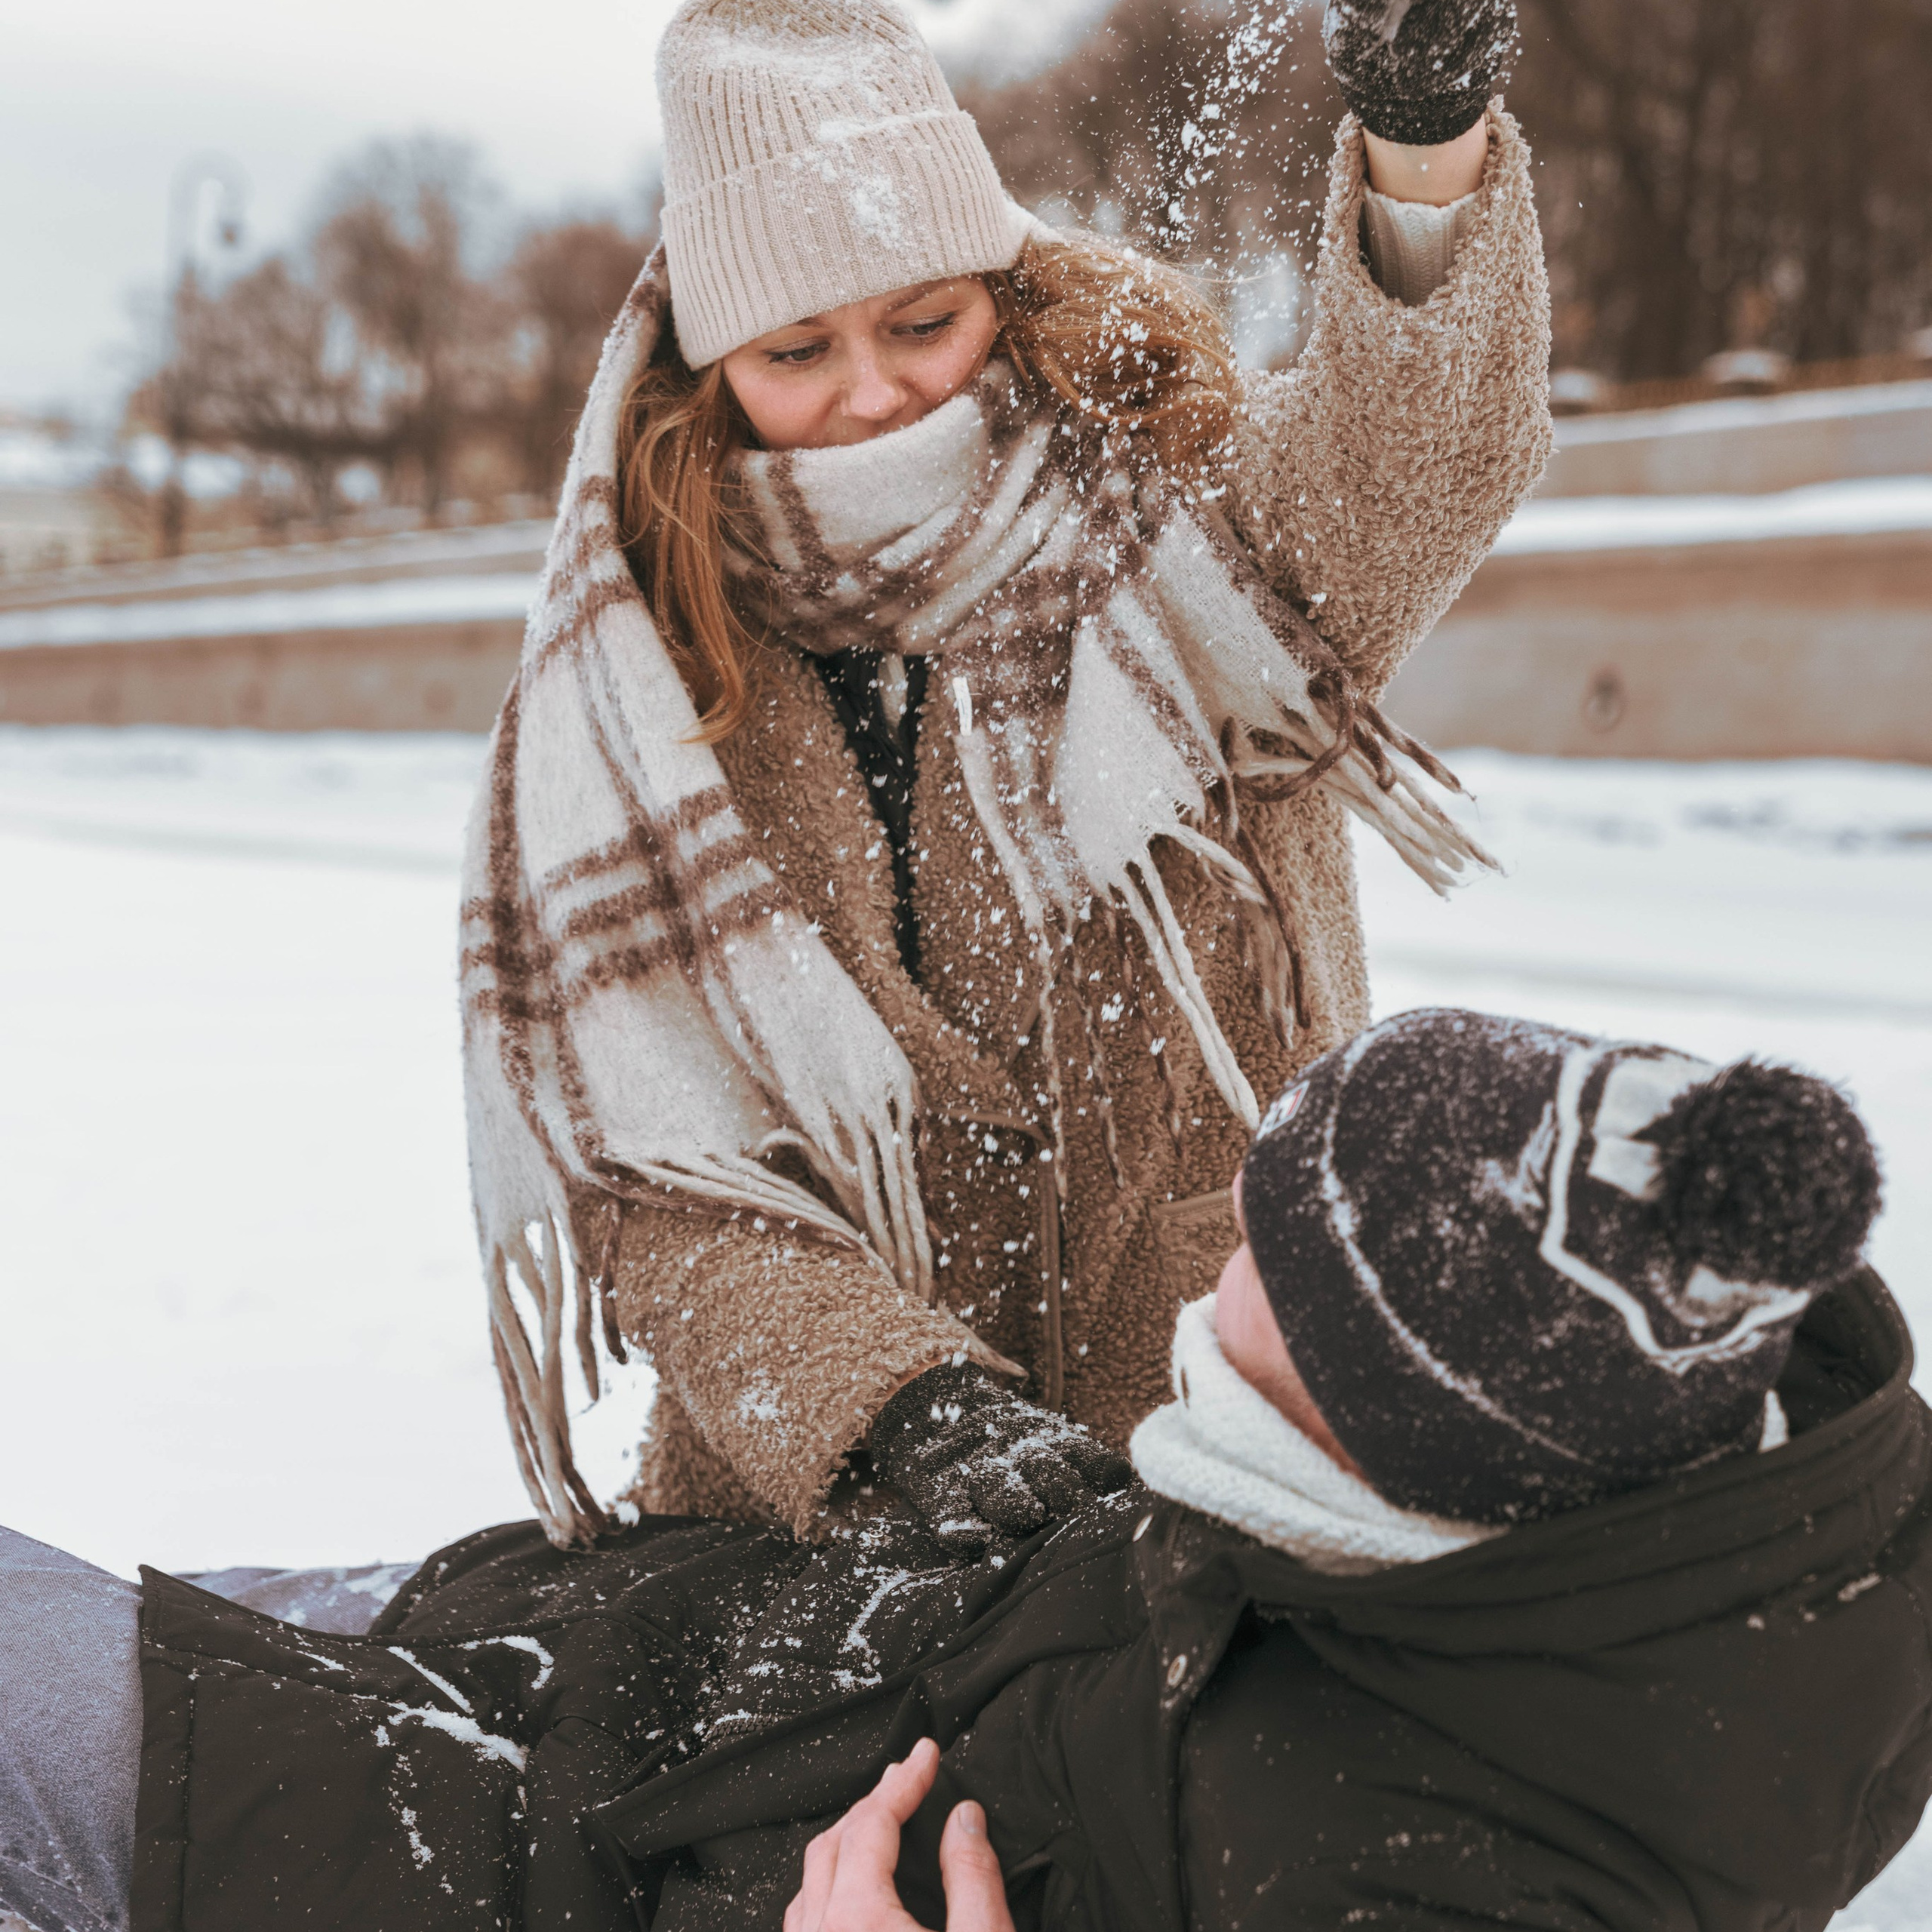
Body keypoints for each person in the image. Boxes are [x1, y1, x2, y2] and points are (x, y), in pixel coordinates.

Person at [10, 1010, 1924, 1932]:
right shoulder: (1535, 1524)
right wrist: (952, 1438)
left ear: (1375, 1432)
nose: (1215, 1261)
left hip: (508, 1862)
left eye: (1266, 1267)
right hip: (591, 1651)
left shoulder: (1438, 1881)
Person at [460, 0, 1556, 1560]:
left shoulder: (1182, 525)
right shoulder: (636, 673)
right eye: (794, 350)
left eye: (922, 322)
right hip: (823, 1522)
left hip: (1226, 1446)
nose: (871, 392)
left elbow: (1420, 454)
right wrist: (888, 1408)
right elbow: (659, 1163)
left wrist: (1422, 139)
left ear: (1003, 286)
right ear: (709, 369)